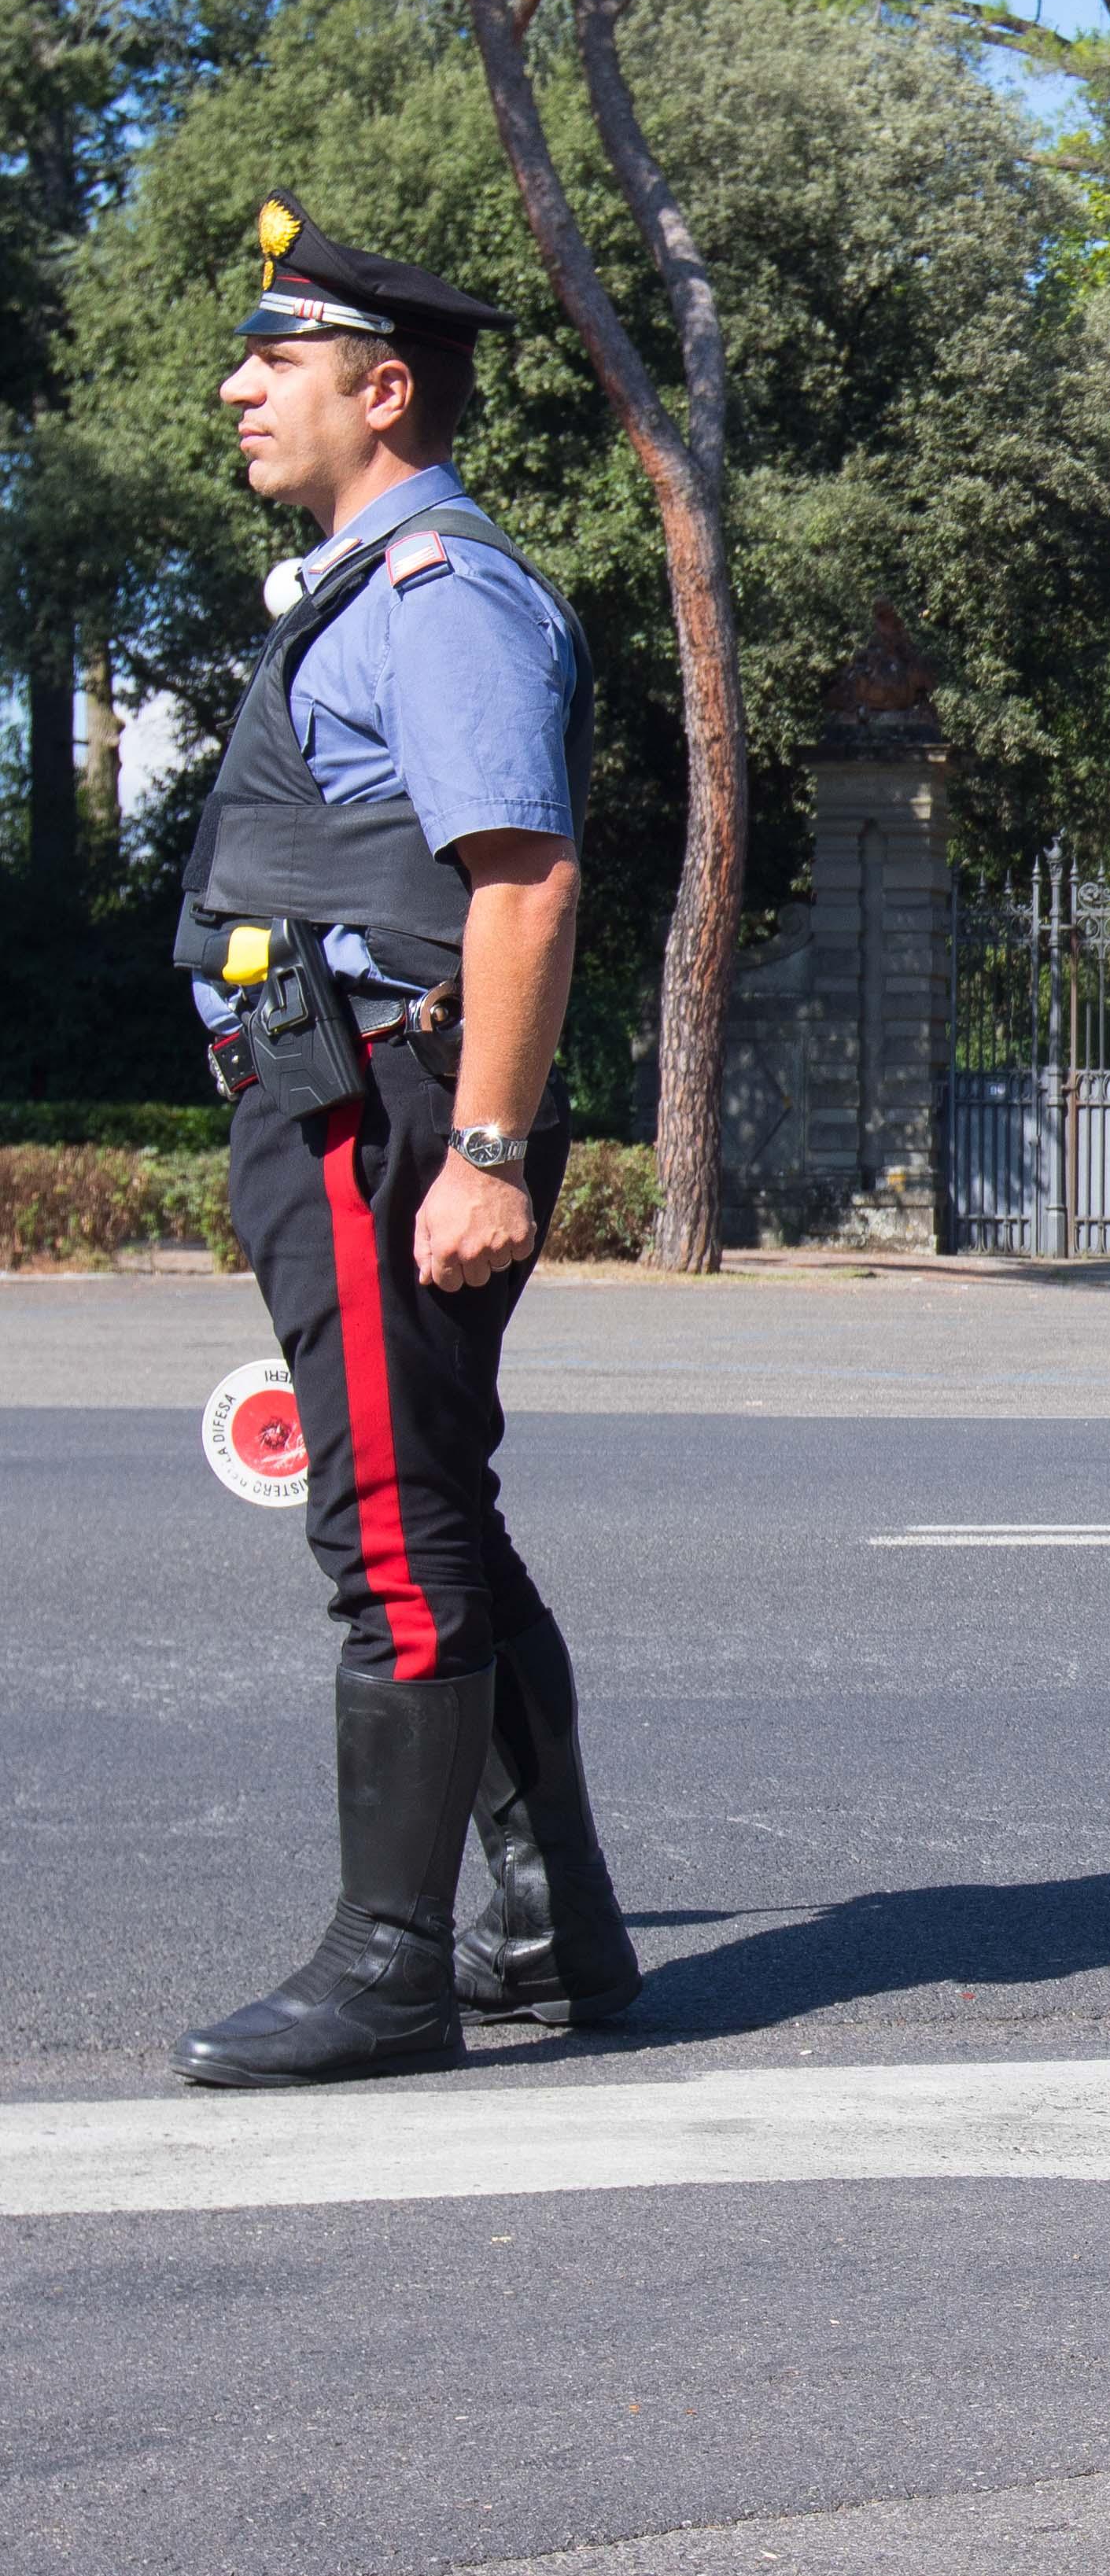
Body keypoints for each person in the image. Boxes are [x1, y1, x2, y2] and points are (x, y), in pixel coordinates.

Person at [168, 193, 640, 2087]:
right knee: (443, 1509)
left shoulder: (444, 599)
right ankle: (557, 1929)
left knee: (391, 1530)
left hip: (386, 1113)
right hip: (342, 1100)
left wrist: (491, 1150)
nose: (233, 391)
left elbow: (521, 887)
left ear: (382, 389)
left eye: (269, 362)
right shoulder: (375, 593)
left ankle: (392, 1967)